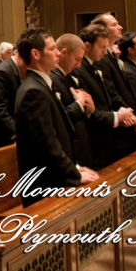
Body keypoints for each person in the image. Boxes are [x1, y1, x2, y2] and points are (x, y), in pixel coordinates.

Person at [15, 27, 98, 206]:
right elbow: (47, 144)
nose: (58, 53)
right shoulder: (33, 91)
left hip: (54, 179)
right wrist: (74, 174)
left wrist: (73, 167)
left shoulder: (41, 85)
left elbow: (57, 134)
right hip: (45, 187)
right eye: (52, 49)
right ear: (36, 54)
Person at [75, 24, 136, 167]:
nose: (105, 52)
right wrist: (116, 117)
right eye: (101, 47)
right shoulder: (80, 71)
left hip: (106, 136)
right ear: (87, 46)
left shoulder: (93, 66)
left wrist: (122, 116)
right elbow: (90, 112)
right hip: (95, 141)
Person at [51, 34, 96, 170]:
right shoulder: (53, 79)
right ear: (64, 53)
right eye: (77, 59)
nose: (78, 65)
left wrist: (89, 108)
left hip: (81, 147)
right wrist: (79, 104)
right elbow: (58, 119)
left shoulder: (67, 77)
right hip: (69, 151)